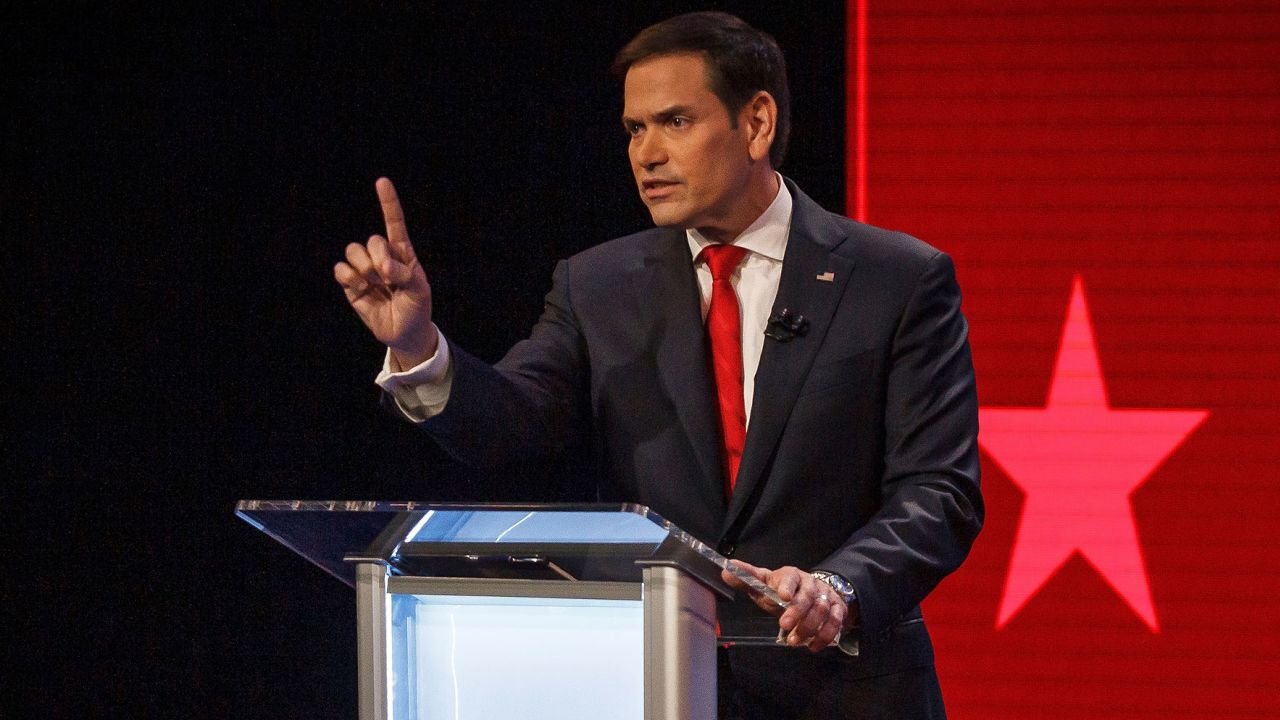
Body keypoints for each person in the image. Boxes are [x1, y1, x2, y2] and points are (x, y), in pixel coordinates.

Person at [334, 11, 982, 719]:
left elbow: (938, 492)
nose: (646, 154)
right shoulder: (599, 285)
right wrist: (420, 348)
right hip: (664, 686)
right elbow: (511, 421)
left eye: (674, 121)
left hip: (847, 691)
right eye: (634, 129)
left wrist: (840, 587)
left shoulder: (895, 279)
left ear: (756, 124)